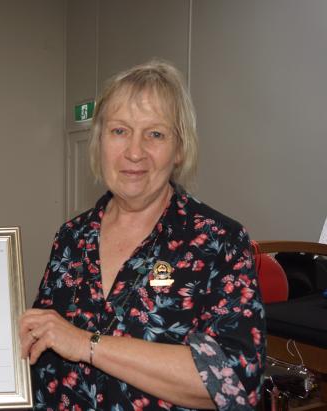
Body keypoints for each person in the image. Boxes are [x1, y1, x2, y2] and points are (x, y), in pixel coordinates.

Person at [19, 60, 266, 410]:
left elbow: (234, 380)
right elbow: (40, 350)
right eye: (119, 131)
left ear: (179, 149)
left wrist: (89, 344)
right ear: (100, 141)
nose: (135, 152)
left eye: (155, 134)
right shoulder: (72, 238)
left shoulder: (219, 242)